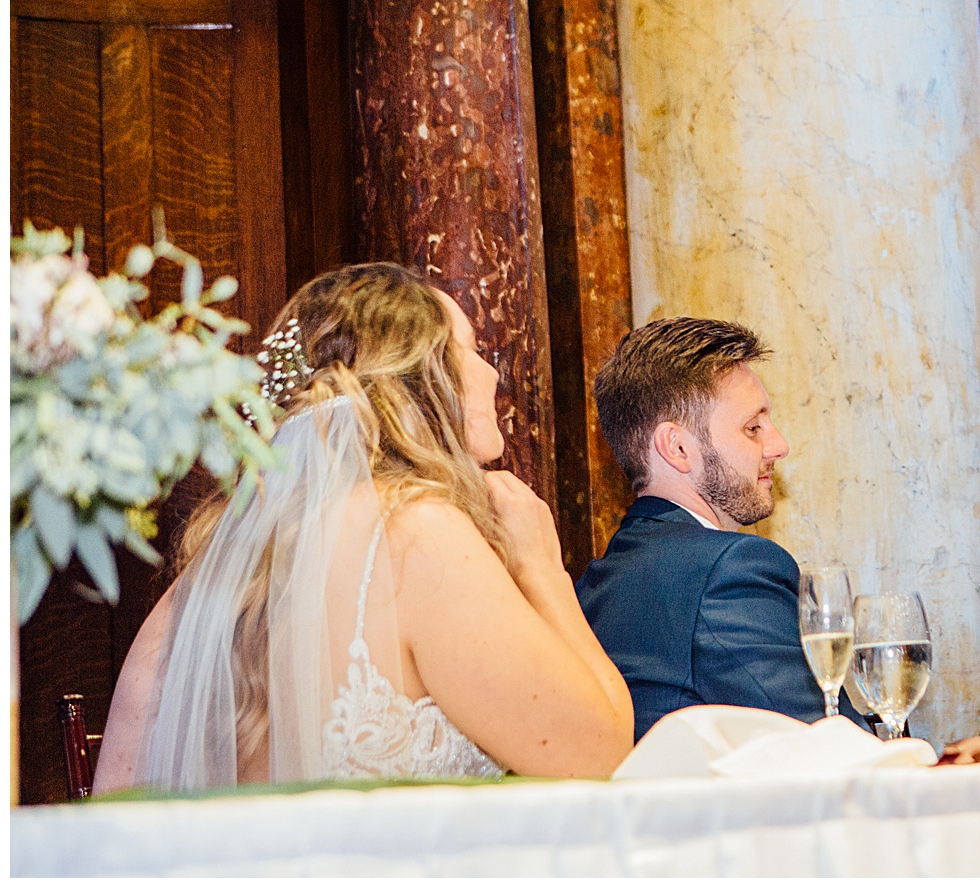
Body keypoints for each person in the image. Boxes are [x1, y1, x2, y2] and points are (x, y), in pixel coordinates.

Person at [92, 263, 634, 789]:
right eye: (470, 350)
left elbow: (118, 806)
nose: (493, 372)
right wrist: (542, 566)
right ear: (420, 377)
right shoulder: (417, 536)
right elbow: (601, 754)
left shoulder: (211, 573)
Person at [577, 317, 870, 739]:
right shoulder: (729, 570)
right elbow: (833, 751)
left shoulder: (594, 584)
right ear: (677, 448)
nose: (778, 446)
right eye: (753, 427)